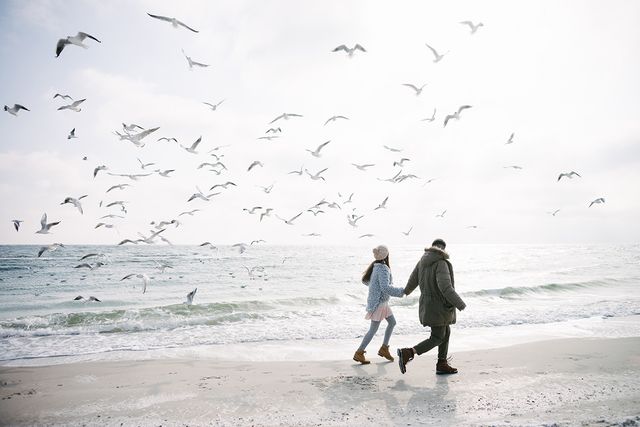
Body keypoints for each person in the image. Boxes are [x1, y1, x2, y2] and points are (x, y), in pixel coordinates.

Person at [397, 238, 466, 375]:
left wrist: (406, 291)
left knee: (446, 331)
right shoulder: (441, 263)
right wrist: (460, 304)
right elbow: (445, 287)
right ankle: (409, 352)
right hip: (439, 306)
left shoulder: (422, 262)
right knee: (437, 337)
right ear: (443, 249)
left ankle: (442, 363)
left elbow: (412, 280)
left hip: (428, 305)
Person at [353, 244, 405, 364]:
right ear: (386, 254)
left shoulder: (375, 266)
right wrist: (401, 292)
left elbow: (365, 281)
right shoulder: (383, 268)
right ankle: (359, 352)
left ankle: (384, 348)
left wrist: (374, 287)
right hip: (379, 303)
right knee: (373, 329)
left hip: (382, 302)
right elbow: (385, 287)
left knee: (392, 323)